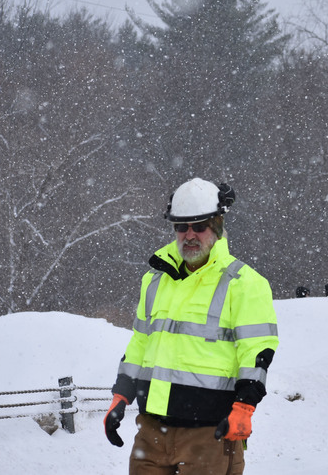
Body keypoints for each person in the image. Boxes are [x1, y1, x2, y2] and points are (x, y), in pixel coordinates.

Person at [103, 178, 279, 475]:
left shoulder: (244, 283)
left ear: (218, 225)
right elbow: (140, 344)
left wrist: (245, 407)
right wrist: (121, 396)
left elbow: (256, 351)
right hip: (151, 431)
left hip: (209, 433)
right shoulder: (155, 280)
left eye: (199, 226)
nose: (189, 235)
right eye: (181, 227)